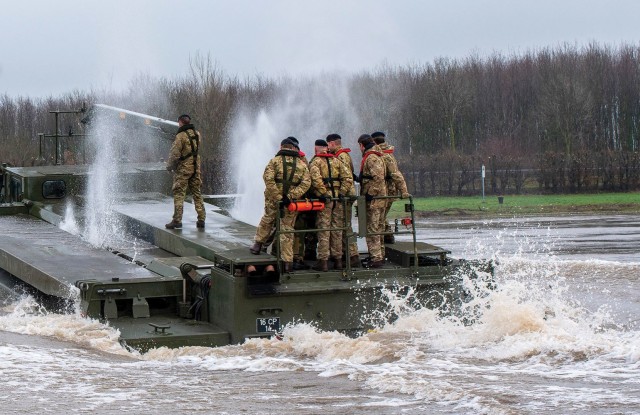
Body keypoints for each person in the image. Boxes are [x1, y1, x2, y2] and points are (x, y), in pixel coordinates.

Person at [250, 138, 311, 273]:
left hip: (273, 200)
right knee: (287, 231)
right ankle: (287, 263)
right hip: (291, 204)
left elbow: (267, 178)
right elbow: (306, 183)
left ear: (282, 147)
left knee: (267, 220)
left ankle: (257, 245)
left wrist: (278, 196)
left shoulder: (275, 161)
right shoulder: (301, 164)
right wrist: (291, 196)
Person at [308, 139, 353, 271]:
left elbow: (315, 179)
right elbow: (348, 178)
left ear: (317, 148)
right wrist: (342, 192)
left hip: (325, 200)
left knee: (324, 230)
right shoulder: (336, 160)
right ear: (326, 148)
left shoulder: (315, 162)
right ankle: (338, 260)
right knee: (337, 230)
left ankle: (323, 261)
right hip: (338, 199)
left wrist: (322, 193)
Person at [165, 114, 206, 229]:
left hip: (183, 169)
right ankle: (201, 219)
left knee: (179, 193)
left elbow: (175, 154)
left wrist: (169, 166)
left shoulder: (180, 136)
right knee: (197, 193)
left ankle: (177, 220)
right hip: (195, 167)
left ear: (181, 122)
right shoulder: (197, 134)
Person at [326, 133, 360, 267]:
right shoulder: (343, 155)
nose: (328, 147)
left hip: (345, 196)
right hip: (347, 194)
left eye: (328, 144)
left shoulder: (340, 156)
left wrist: (341, 193)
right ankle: (349, 254)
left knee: (345, 226)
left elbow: (346, 178)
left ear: (332, 143)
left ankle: (353, 255)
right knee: (344, 225)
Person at [371, 131, 411, 244]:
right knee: (381, 216)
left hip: (387, 190)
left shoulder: (385, 156)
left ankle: (387, 237)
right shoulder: (382, 153)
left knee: (380, 216)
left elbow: (396, 174)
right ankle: (387, 236)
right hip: (384, 190)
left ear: (374, 142)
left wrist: (404, 191)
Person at [357, 134, 387, 268]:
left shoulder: (371, 157)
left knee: (373, 228)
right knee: (377, 228)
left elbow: (378, 178)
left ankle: (376, 259)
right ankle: (378, 256)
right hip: (379, 198)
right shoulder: (377, 155)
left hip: (375, 200)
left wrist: (370, 193)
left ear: (362, 145)